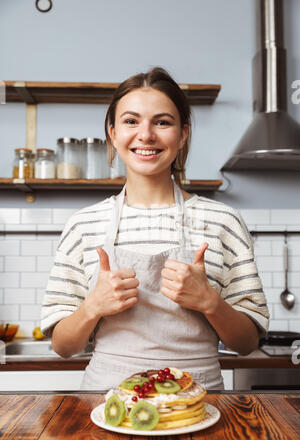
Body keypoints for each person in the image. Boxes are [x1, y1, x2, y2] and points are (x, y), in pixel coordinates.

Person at [40, 67, 269, 390]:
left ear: (183, 134)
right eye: (131, 121)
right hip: (108, 402)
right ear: (113, 133)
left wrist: (209, 302)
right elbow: (63, 347)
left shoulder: (223, 221)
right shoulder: (83, 225)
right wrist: (93, 306)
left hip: (199, 401)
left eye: (162, 122)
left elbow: (247, 343)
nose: (146, 135)